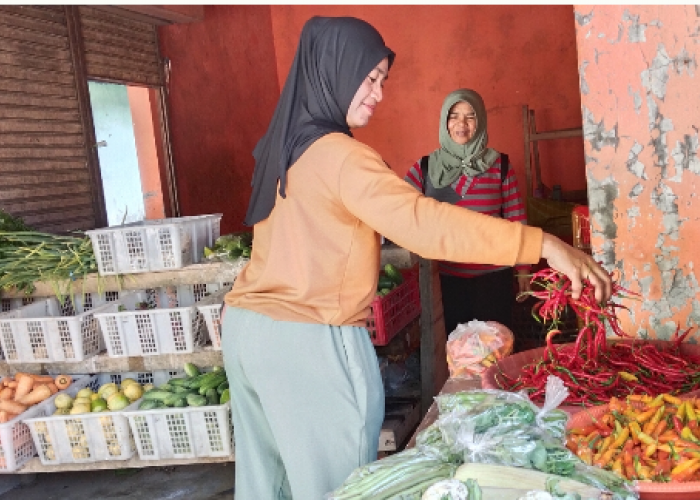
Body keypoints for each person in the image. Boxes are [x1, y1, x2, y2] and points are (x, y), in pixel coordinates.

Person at [221, 16, 611, 500]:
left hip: (247, 335)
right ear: (335, 71)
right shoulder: (340, 156)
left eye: (382, 80)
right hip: (309, 342)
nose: (378, 93)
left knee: (267, 488)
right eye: (369, 79)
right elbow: (424, 225)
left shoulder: (284, 149)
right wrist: (543, 244)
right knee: (337, 489)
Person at [404, 89, 530, 344]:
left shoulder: (500, 165)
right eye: (454, 116)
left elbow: (517, 218)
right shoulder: (425, 168)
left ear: (481, 121)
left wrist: (524, 272)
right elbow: (401, 208)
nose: (462, 124)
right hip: (445, 280)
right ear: (444, 121)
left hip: (494, 279)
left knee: (496, 350)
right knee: (456, 353)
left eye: (470, 116)